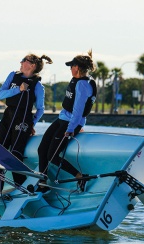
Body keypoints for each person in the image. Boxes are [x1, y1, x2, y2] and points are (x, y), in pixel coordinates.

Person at [0, 54, 53, 205]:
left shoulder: (38, 86)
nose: (21, 62)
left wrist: (32, 124)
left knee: (15, 155)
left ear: (31, 66)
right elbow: (0, 94)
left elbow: (40, 109)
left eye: (24, 61)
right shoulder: (13, 76)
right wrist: (18, 89)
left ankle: (23, 189)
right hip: (8, 117)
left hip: (23, 121)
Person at [37, 50, 97, 193]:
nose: (70, 69)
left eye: (72, 66)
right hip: (62, 119)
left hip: (70, 123)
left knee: (52, 155)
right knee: (42, 149)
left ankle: (80, 176)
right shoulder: (76, 80)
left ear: (78, 67)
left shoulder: (83, 85)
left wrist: (72, 128)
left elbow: (78, 110)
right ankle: (42, 181)